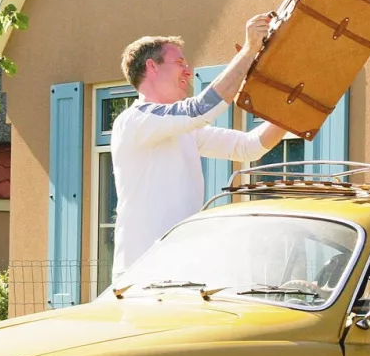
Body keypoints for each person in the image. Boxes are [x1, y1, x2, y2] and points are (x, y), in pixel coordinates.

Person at [109, 17, 289, 283]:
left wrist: (292, 106)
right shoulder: (134, 121)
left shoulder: (182, 129)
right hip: (142, 271)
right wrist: (249, 51)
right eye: (180, 62)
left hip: (182, 269)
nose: (188, 71)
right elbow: (202, 108)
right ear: (151, 66)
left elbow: (248, 147)